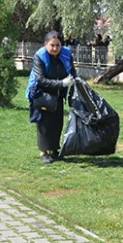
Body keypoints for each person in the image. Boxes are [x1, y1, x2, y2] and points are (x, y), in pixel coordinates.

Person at [25, 30, 77, 164]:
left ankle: (54, 151)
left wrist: (75, 81)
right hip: (41, 93)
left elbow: (72, 71)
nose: (55, 48)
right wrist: (62, 83)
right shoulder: (39, 57)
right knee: (44, 123)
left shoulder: (66, 54)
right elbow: (41, 79)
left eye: (58, 45)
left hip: (58, 94)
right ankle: (43, 152)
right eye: (52, 45)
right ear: (45, 44)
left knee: (57, 122)